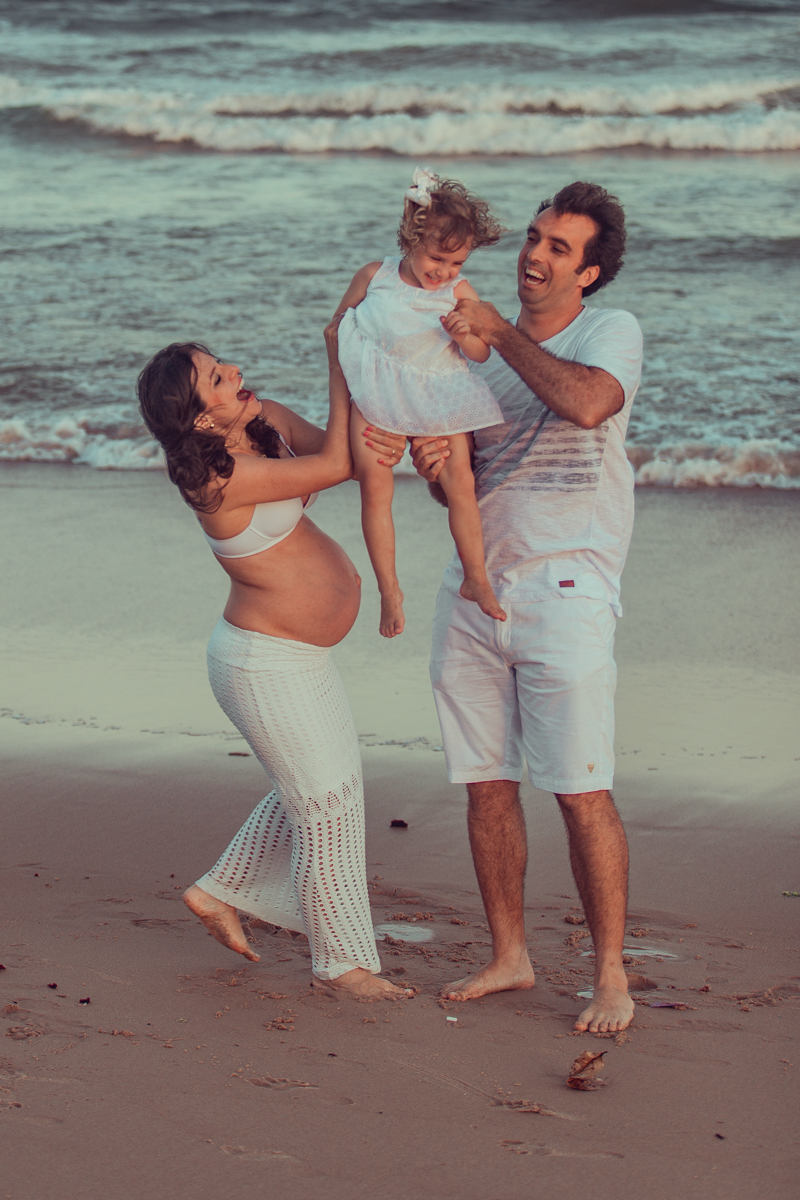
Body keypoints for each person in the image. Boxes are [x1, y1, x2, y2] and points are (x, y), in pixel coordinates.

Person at [411, 181, 643, 1034]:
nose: (535, 255)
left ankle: (610, 975)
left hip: (568, 591)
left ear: (589, 273)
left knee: (581, 791)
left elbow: (586, 404)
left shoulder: (607, 334)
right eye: (535, 237)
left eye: (557, 248)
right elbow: (462, 489)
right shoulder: (471, 356)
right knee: (486, 785)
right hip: (475, 592)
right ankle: (510, 955)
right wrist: (435, 469)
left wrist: (500, 334)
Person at [137, 328, 411, 1000]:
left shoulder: (265, 423)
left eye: (222, 364)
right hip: (261, 664)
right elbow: (336, 465)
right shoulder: (216, 480)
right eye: (217, 378)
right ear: (203, 420)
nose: (234, 370)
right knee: (326, 806)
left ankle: (218, 891)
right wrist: (338, 356)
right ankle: (341, 966)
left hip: (296, 656)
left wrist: (385, 417)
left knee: (326, 791)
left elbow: (349, 453)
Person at [336, 167, 506, 638]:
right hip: (377, 388)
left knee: (460, 481)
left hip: (437, 391)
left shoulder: (459, 292)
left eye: (457, 263)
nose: (444, 272)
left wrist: (465, 332)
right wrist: (356, 395)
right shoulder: (375, 276)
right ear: (411, 237)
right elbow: (338, 329)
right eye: (437, 258)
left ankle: (476, 576)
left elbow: (481, 353)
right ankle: (389, 589)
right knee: (375, 485)